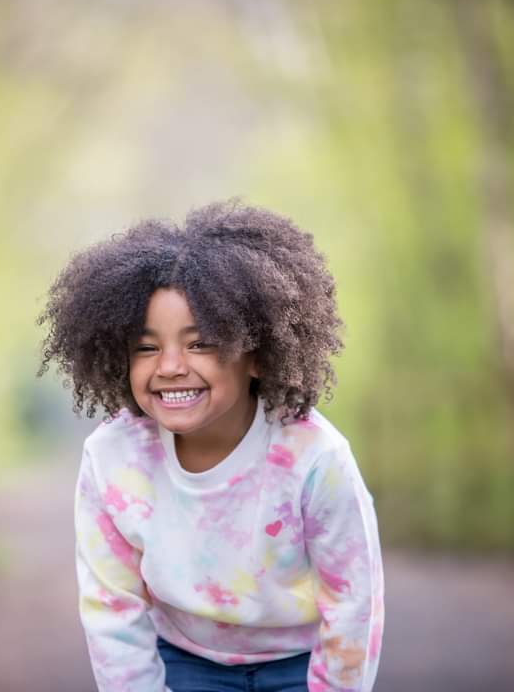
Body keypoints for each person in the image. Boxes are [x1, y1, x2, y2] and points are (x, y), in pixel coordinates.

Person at [38, 200, 383, 692]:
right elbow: (112, 608)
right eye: (147, 347)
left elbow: (353, 604)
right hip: (183, 661)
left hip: (300, 663)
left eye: (200, 343)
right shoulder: (113, 457)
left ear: (258, 356)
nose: (171, 365)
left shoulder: (314, 458)